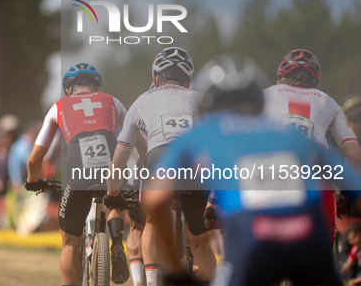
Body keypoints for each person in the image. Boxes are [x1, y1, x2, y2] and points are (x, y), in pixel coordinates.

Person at [142, 54, 361, 286]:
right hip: (310, 237)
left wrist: (177, 268)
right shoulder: (292, 136)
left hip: (254, 240)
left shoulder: (202, 133)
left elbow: (156, 200)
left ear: (205, 107)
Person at [105, 47, 215, 284]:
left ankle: (151, 281)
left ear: (155, 77)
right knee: (201, 243)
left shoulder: (142, 101)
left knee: (153, 221)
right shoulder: (199, 98)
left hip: (159, 160)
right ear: (188, 80)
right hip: (195, 164)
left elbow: (120, 159)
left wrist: (112, 193)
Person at [25, 63, 128, 286]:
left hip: (77, 167)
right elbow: (133, 137)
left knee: (70, 242)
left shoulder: (58, 107)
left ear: (69, 89)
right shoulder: (112, 101)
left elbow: (34, 159)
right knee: (113, 199)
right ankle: (117, 242)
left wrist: (33, 180)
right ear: (96, 87)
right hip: (112, 162)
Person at [263, 49, 361, 239]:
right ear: (315, 82)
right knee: (320, 261)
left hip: (272, 178)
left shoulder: (265, 94)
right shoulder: (329, 102)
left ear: (280, 78)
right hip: (316, 181)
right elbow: (355, 155)